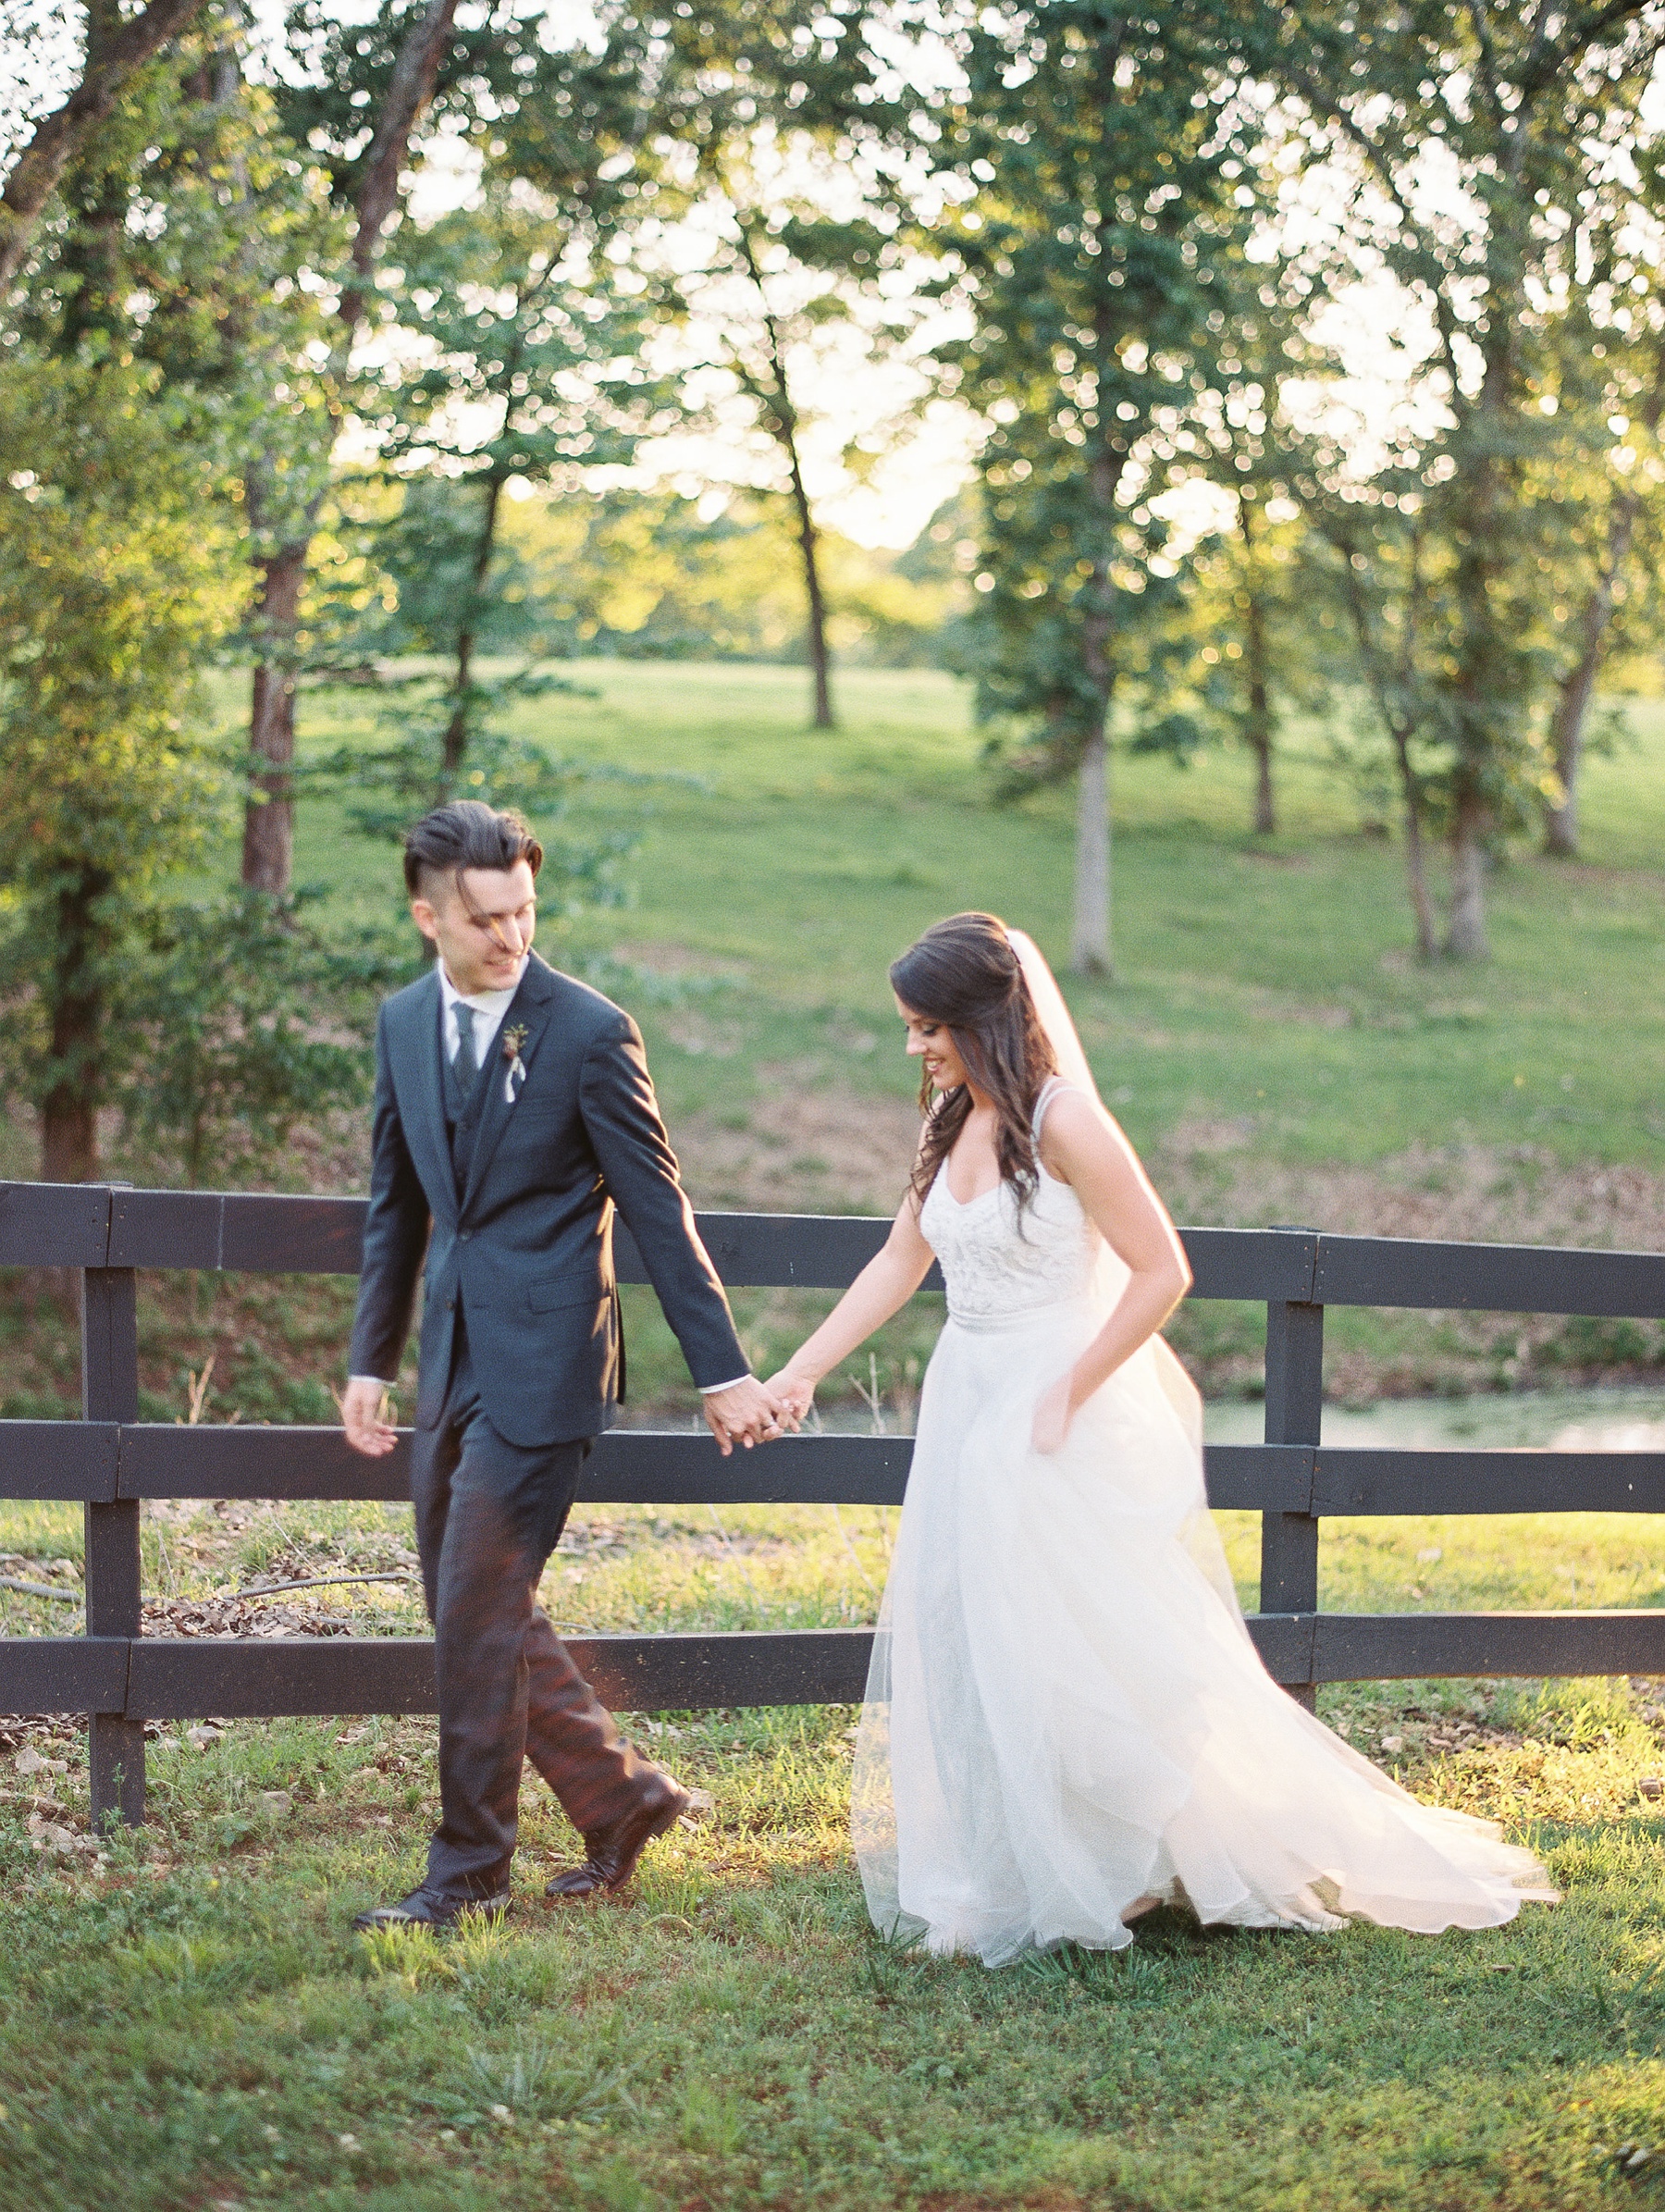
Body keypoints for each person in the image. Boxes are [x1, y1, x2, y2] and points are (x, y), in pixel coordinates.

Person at [766, 912, 1557, 1965]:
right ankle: (1016, 1861)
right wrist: (800, 1370)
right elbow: (899, 1264)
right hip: (970, 1394)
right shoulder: (949, 1122)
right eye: (912, 1030)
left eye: (928, 1028)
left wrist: (1070, 1389)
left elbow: (1162, 1269)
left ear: (983, 1017)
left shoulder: (1066, 1121)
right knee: (971, 1623)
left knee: (1080, 1640)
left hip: (1059, 1402)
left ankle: (1126, 1859)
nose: (915, 1048)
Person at [342, 801, 783, 1929]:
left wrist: (722, 1370)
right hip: (451, 1360)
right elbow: (396, 1205)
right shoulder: (401, 1023)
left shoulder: (587, 1031)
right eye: (487, 919)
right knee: (472, 1604)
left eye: (526, 911)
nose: (512, 938)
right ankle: (621, 1797)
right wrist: (370, 1360)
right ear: (427, 916)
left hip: (548, 1365)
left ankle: (468, 1873)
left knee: (477, 1610)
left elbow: (658, 1207)